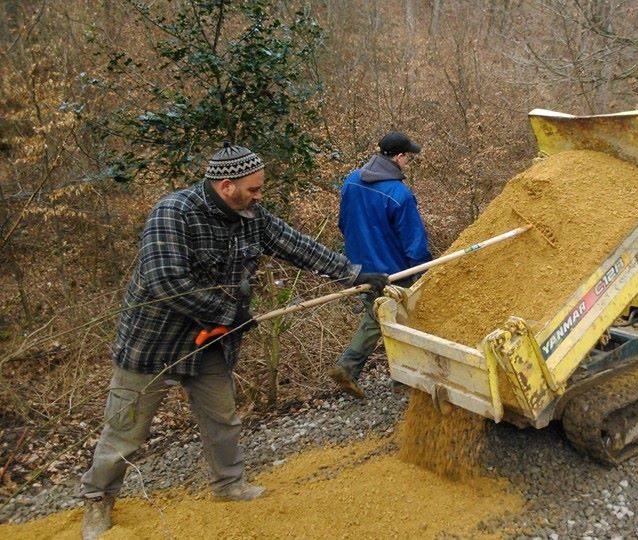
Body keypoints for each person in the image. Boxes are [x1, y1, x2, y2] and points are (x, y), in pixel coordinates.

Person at [79, 143, 388, 539]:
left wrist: (356, 274)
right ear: (227, 186)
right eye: (254, 189)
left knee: (222, 418)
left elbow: (297, 245)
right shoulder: (173, 213)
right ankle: (98, 499)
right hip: (152, 343)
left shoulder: (251, 217)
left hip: (209, 342)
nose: (260, 197)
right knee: (126, 428)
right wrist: (230, 315)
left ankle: (229, 486)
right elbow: (166, 283)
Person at [327, 132, 432, 398]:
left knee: (377, 317)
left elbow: (343, 223)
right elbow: (414, 242)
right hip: (396, 272)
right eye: (408, 157)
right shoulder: (399, 194)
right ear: (398, 157)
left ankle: (349, 367)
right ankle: (403, 380)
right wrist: (423, 271)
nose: (408, 162)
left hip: (360, 269)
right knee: (405, 322)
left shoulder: (351, 181)